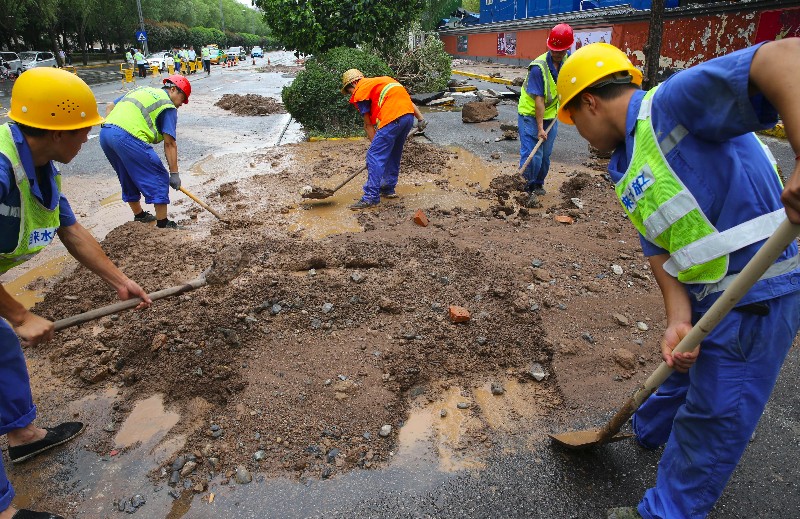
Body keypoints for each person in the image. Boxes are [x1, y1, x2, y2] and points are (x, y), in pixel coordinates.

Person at [556, 39, 800, 519]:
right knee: (680, 367)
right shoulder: (623, 163)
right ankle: (647, 430)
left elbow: (785, 57)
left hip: (756, 289)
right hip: (705, 290)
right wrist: (677, 316)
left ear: (590, 102)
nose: (578, 134)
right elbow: (657, 242)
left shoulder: (674, 103)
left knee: (713, 416)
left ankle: (666, 512)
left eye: (574, 120)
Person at [0, 68, 152, 519]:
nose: (87, 137)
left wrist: (118, 280)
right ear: (52, 130)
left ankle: (22, 435)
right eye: (81, 129)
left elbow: (69, 227)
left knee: (2, 348)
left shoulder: (42, 167)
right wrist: (20, 314)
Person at [99, 75, 192, 229]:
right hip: (126, 136)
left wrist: (114, 130)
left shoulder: (143, 90)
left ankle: (140, 215)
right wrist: (174, 174)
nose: (182, 104)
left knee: (126, 174)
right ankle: (163, 223)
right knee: (158, 174)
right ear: (173, 89)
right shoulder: (168, 106)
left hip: (106, 133)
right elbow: (170, 144)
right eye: (183, 98)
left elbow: (110, 106)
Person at [340, 69, 427, 210]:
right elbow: (409, 102)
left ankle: (371, 197)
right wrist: (421, 119)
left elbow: (368, 125)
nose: (351, 94)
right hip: (408, 118)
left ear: (354, 83)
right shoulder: (381, 82)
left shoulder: (361, 91)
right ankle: (388, 188)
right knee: (393, 153)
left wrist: (376, 148)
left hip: (393, 119)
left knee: (374, 156)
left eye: (349, 90)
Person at [517, 23, 573, 201]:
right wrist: (540, 128)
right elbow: (539, 101)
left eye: (561, 51)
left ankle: (538, 184)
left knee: (545, 156)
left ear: (567, 48)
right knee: (533, 155)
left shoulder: (567, 60)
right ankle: (525, 189)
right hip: (530, 115)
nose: (557, 54)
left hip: (551, 115)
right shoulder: (538, 68)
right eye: (554, 50)